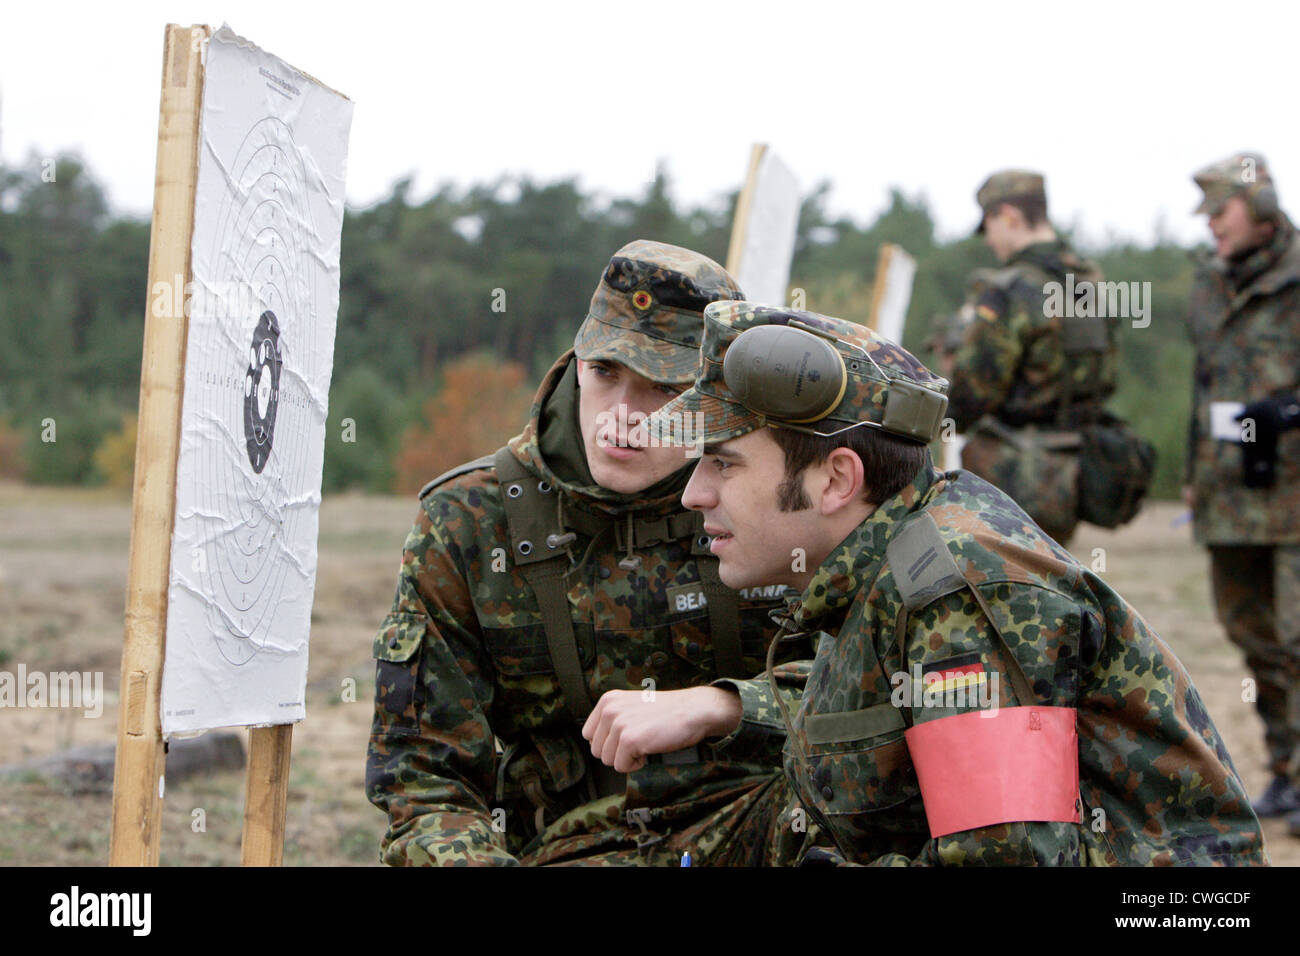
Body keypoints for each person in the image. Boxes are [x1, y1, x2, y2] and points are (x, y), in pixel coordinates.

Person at [606, 299, 1266, 865]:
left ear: (837, 480)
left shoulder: (958, 588)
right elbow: (875, 709)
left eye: (722, 464)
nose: (694, 494)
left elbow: (1009, 863)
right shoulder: (893, 553)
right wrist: (728, 707)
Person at [365, 240, 809, 866]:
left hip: (761, 832)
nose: (623, 415)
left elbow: (872, 694)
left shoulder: (779, 496)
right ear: (576, 361)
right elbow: (423, 777)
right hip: (564, 848)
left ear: (713, 394)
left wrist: (729, 703)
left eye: (663, 386)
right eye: (604, 372)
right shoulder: (469, 520)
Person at [1186, 152, 1300, 834]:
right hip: (1229, 490)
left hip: (1295, 494)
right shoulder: (1208, 285)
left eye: (1220, 214)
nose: (1211, 230)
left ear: (1258, 211)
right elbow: (1203, 383)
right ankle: (1285, 771)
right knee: (1252, 637)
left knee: (1298, 636)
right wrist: (1193, 477)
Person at [944, 169, 1119, 545]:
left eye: (989, 226)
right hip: (1072, 471)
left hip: (1011, 476)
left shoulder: (1010, 289)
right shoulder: (1090, 282)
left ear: (1008, 216)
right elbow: (1105, 375)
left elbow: (973, 392)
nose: (990, 241)